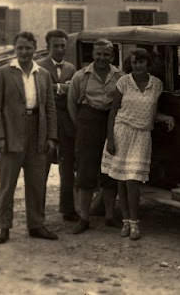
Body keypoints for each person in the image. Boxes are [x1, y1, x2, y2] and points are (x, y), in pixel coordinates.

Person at [0, 31, 58, 244]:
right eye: (20, 48)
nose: (24, 52)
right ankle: (4, 227)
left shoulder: (43, 74)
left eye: (28, 48)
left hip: (37, 132)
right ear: (14, 49)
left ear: (35, 49)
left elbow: (50, 108)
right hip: (11, 135)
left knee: (37, 183)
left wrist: (51, 137)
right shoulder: (3, 73)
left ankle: (36, 225)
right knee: (7, 184)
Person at [102, 48, 174, 240]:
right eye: (134, 63)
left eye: (141, 62)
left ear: (147, 64)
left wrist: (164, 117)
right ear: (130, 64)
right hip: (121, 132)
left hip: (142, 135)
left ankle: (135, 223)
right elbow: (113, 111)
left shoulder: (156, 85)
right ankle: (125, 222)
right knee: (121, 180)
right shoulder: (123, 82)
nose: (138, 66)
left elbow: (152, 112)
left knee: (133, 180)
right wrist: (110, 138)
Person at [67, 39, 122, 234]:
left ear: (112, 56)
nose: (102, 58)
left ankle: (109, 215)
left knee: (110, 170)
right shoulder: (81, 76)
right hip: (87, 123)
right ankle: (84, 218)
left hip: (111, 123)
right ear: (93, 54)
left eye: (106, 54)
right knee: (85, 170)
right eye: (98, 54)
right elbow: (72, 104)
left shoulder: (120, 76)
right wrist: (81, 126)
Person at [37, 29, 78, 222]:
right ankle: (38, 210)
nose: (60, 49)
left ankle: (67, 209)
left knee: (68, 167)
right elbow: (41, 93)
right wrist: (63, 88)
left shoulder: (71, 68)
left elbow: (76, 91)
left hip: (67, 123)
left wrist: (62, 89)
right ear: (47, 47)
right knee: (41, 167)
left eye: (63, 45)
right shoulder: (39, 67)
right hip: (45, 125)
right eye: (56, 46)